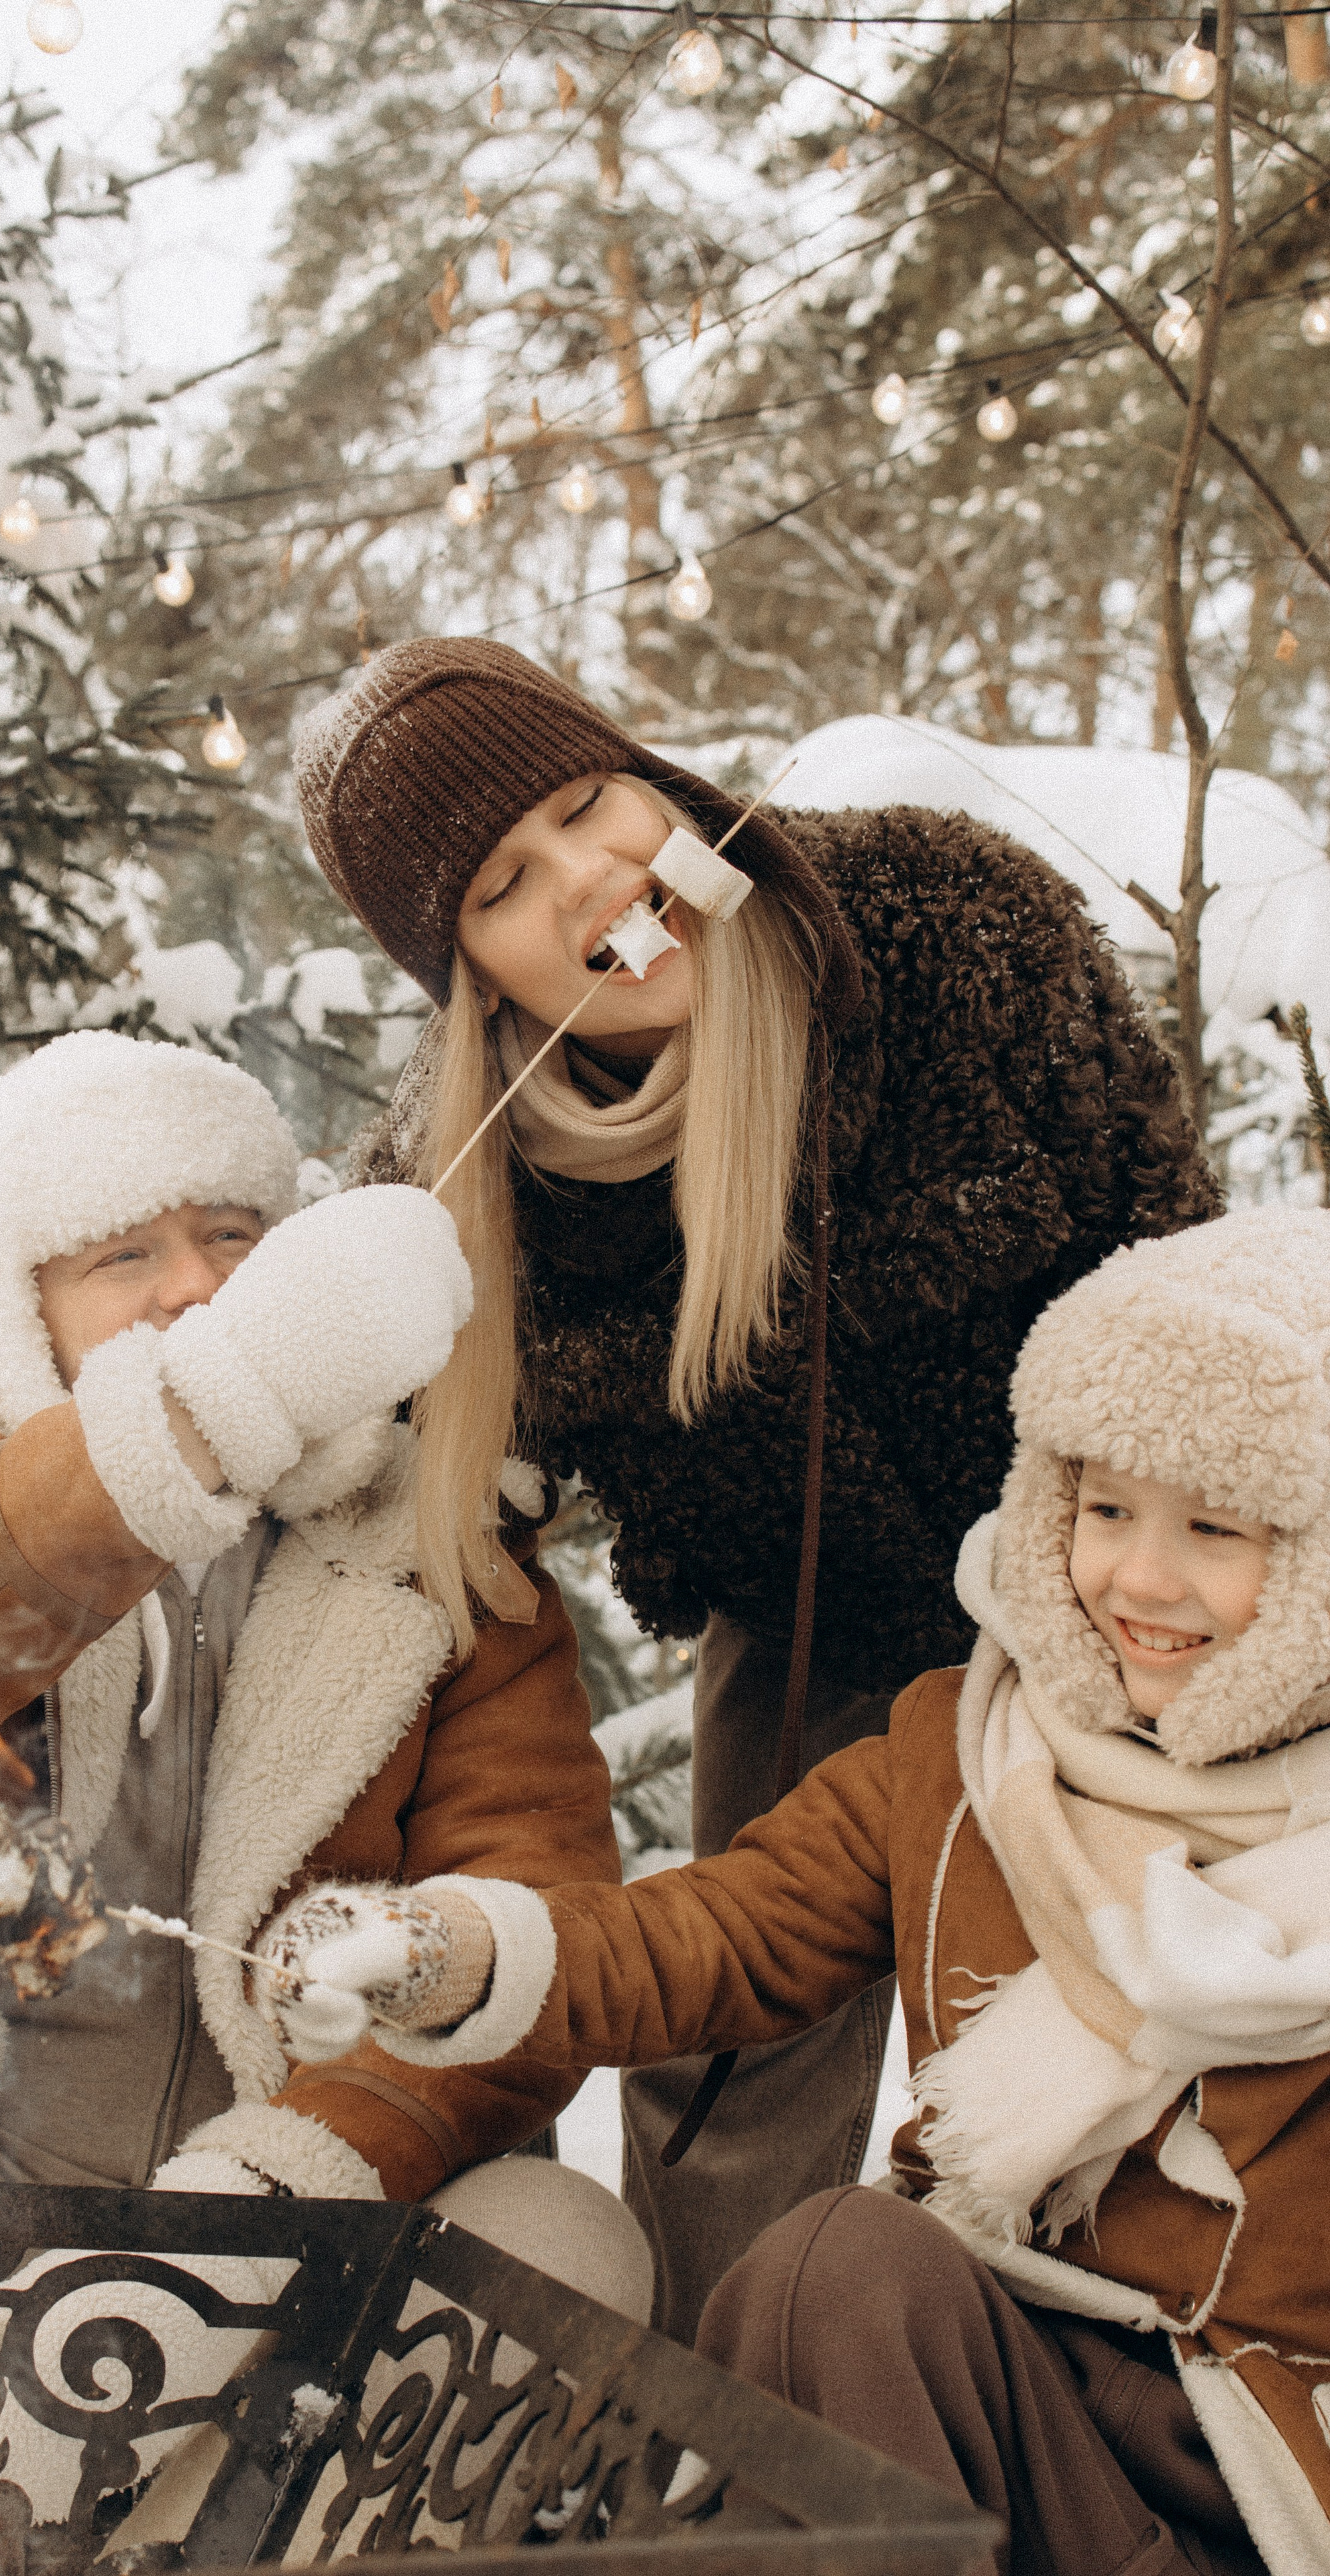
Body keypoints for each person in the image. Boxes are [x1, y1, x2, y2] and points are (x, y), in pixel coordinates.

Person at [292, 634, 1221, 2336]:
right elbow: (361, 1460)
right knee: (731, 2059)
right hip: (798, 1639)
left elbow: (1174, 1272)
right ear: (471, 971)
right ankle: (702, 2437)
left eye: (591, 806)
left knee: (1137, 2050)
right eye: (508, 884)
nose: (595, 879)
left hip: (1114, 1592)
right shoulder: (463, 1182)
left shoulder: (955, 928)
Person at [254, 1205, 1330, 2576]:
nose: (1136, 1577)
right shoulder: (969, 1753)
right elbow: (715, 1934)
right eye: (1103, 1508)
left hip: (1254, 2470)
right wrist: (438, 1949)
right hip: (988, 2396)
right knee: (835, 2269)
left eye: (1215, 1530)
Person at [0, 1032, 649, 2327]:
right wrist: (159, 1452)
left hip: (273, 2220)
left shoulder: (433, 1544)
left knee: (562, 2239)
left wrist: (276, 2182)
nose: (193, 1290)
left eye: (229, 1235)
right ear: (24, 1304)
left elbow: (523, 1925)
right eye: (123, 1255)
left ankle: (147, 2517)